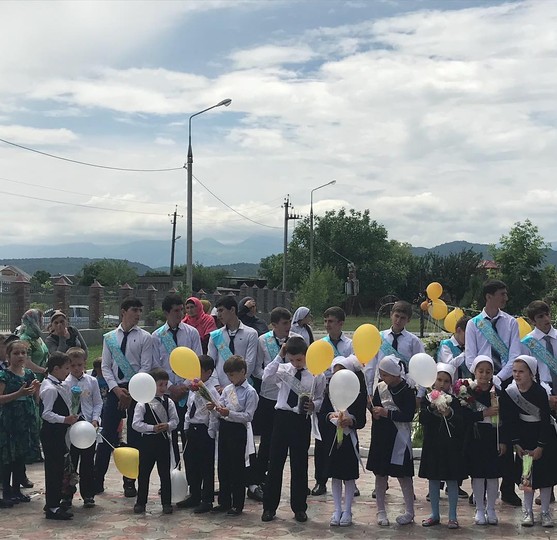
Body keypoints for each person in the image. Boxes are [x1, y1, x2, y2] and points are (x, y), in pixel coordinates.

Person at [465, 279, 522, 506]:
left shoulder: (510, 323)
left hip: (504, 384)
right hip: (480, 385)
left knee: (505, 432)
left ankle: (507, 487)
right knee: (480, 435)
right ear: (489, 296)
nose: (505, 298)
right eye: (501, 294)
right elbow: (470, 357)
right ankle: (478, 486)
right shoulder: (474, 324)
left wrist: (497, 379)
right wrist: (484, 378)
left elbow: (514, 355)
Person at [261, 336, 326, 523]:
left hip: (301, 420)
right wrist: (279, 356)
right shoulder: (283, 369)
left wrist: (314, 406)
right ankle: (269, 507)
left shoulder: (316, 374)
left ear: (306, 355)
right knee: (275, 464)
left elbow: (320, 398)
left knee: (299, 465)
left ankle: (299, 507)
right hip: (282, 418)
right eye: (292, 359)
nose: (296, 363)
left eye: (299, 359)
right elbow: (267, 377)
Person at [96, 297, 153, 497]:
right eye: (134, 310)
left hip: (137, 390)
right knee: (107, 435)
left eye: (140, 310)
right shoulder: (110, 337)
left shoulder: (145, 337)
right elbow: (105, 366)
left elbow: (146, 366)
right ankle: (97, 479)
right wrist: (116, 390)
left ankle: (130, 481)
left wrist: (132, 391)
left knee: (134, 437)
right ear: (123, 311)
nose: (138, 314)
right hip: (116, 391)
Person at [500, 355, 557, 527]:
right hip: (524, 438)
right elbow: (510, 420)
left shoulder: (540, 392)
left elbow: (545, 420)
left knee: (545, 477)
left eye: (521, 371)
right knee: (527, 476)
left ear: (531, 373)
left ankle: (545, 512)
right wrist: (517, 443)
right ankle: (528, 511)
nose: (517, 375)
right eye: (514, 371)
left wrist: (540, 446)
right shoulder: (511, 393)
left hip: (542, 437)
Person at [251, 307, 300, 499]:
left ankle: (297, 484)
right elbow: (257, 369)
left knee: (292, 443)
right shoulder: (263, 340)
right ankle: (259, 478)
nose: (288, 327)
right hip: (269, 396)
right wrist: (273, 377)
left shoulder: (296, 339)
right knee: (267, 441)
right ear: (274, 325)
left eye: (289, 323)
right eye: (284, 323)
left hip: (291, 396)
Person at [366, 355, 416, 527]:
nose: (382, 378)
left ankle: (410, 511)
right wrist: (374, 411)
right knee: (380, 474)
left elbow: (408, 415)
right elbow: (375, 407)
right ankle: (380, 510)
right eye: (381, 374)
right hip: (381, 436)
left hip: (399, 437)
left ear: (395, 374)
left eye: (385, 375)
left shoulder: (407, 390)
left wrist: (387, 413)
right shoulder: (380, 388)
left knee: (404, 475)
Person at [152, 294, 202, 461]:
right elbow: (155, 365)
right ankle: (173, 472)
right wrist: (171, 387)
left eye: (181, 310)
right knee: (170, 436)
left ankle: (191, 473)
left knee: (189, 435)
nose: (180, 314)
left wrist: (185, 386)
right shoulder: (157, 336)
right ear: (166, 312)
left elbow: (197, 360)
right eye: (176, 311)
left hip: (189, 391)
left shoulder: (192, 333)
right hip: (168, 392)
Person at [209, 355, 259, 516]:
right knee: (223, 466)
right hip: (225, 428)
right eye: (228, 375)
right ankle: (224, 501)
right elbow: (221, 407)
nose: (230, 378)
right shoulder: (228, 389)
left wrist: (229, 413)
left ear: (242, 372)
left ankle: (238, 504)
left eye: (232, 374)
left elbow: (248, 416)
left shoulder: (250, 392)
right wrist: (215, 408)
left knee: (237, 468)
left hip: (238, 430)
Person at [459, 355, 505, 525]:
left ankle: (491, 508)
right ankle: (479, 509)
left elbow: (506, 419)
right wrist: (483, 413)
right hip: (475, 436)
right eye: (481, 371)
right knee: (478, 475)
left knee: (492, 475)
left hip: (493, 436)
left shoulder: (498, 392)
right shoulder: (467, 392)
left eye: (488, 371)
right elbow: (463, 417)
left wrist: (503, 441)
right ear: (475, 372)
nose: (484, 375)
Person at [312, 306, 354, 497]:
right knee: (322, 439)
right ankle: (320, 480)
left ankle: (349, 479)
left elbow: (356, 368)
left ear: (340, 323)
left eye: (331, 321)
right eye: (325, 321)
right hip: (325, 395)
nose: (327, 325)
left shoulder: (350, 345)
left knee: (346, 437)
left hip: (345, 395)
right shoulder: (321, 344)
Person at [419, 363, 466, 529]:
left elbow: (460, 423)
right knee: (433, 479)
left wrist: (449, 413)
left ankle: (452, 516)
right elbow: (422, 418)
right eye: (439, 380)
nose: (442, 384)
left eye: (446, 381)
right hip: (433, 445)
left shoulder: (455, 401)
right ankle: (434, 514)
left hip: (450, 447)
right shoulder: (426, 400)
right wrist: (432, 408)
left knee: (452, 480)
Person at [327, 356, 367, 527]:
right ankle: (337, 509)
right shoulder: (330, 392)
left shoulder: (357, 394)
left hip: (350, 439)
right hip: (333, 439)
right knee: (335, 475)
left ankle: (348, 510)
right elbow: (324, 413)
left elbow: (362, 420)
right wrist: (331, 416)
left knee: (349, 476)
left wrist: (351, 421)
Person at [132, 367, 178, 515]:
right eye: (160, 385)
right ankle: (141, 502)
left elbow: (175, 420)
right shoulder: (142, 403)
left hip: (163, 442)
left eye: (165, 384)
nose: (163, 388)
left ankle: (166, 503)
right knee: (143, 473)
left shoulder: (169, 402)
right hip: (147, 442)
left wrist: (168, 425)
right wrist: (152, 428)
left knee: (165, 474)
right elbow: (136, 424)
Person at [0, 338, 40, 507]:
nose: (20, 356)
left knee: (20, 456)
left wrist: (36, 390)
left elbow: (36, 399)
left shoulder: (29, 374)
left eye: (23, 353)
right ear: (8, 356)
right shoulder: (4, 375)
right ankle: (7, 492)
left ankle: (17, 490)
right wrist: (18, 393)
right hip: (9, 420)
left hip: (25, 419)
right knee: (8, 457)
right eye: (16, 353)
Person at [177, 355, 219, 513]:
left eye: (199, 370)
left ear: (208, 372)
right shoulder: (194, 388)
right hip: (192, 428)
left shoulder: (210, 390)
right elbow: (189, 409)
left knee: (205, 466)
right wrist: (186, 426)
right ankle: (194, 494)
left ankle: (207, 499)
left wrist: (211, 431)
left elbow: (214, 411)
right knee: (191, 463)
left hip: (204, 429)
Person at [40, 352, 79, 520]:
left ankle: (54, 501)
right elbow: (46, 413)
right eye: (66, 368)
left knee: (58, 469)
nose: (68, 372)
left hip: (59, 433)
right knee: (53, 470)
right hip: (52, 434)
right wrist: (65, 419)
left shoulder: (58, 385)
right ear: (56, 369)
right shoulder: (50, 388)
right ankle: (53, 506)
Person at [64, 347, 102, 509]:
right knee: (71, 462)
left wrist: (95, 419)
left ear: (85, 363)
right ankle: (67, 495)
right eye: (73, 365)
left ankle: (88, 494)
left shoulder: (91, 381)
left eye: (79, 365)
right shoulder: (65, 382)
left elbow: (98, 402)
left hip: (88, 427)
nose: (76, 368)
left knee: (87, 462)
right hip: (71, 428)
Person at [364, 300, 425, 397]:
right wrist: (369, 391)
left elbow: (422, 366)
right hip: (382, 385)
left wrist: (420, 394)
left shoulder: (414, 341)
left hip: (404, 386)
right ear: (391, 315)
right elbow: (370, 366)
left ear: (408, 320)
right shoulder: (379, 337)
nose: (398, 320)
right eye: (396, 316)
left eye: (403, 318)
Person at [208, 297, 259, 389]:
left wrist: (234, 385)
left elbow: (250, 362)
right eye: (218, 311)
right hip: (219, 387)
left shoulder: (251, 334)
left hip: (242, 387)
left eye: (221, 310)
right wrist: (216, 384)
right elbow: (211, 363)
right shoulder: (215, 335)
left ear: (232, 309)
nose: (219, 315)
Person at [19, 309, 48, 379]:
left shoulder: (38, 338)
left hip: (42, 377)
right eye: (40, 320)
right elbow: (26, 363)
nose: (42, 323)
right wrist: (44, 371)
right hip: (31, 379)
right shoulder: (25, 339)